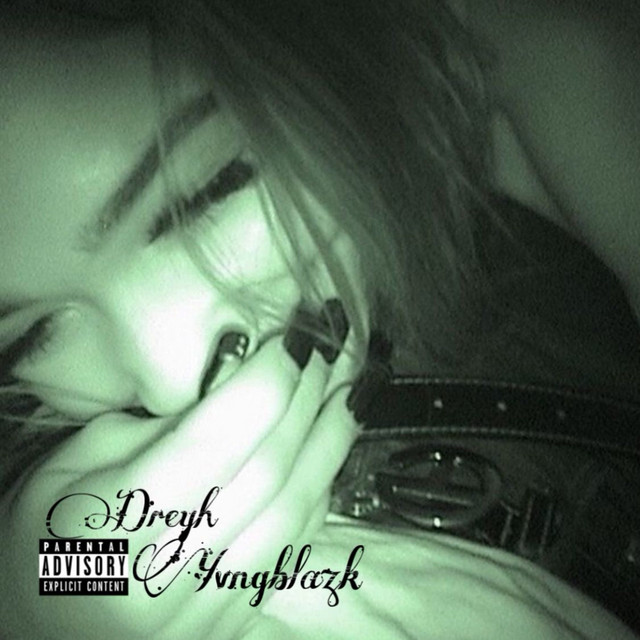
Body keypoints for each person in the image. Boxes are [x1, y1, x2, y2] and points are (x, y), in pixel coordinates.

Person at [0, 1, 638, 638]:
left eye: (209, 192)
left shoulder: (529, 68)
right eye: (33, 337)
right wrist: (40, 601)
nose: (174, 380)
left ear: (316, 58)